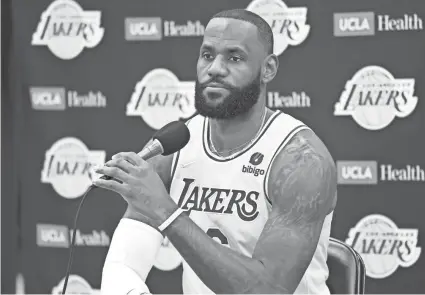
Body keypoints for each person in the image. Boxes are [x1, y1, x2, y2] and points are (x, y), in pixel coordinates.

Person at [98, 8, 337, 295]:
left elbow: (269, 290)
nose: (215, 69)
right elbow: (124, 266)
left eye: (234, 58)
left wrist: (166, 211)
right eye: (208, 55)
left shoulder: (301, 160)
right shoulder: (173, 147)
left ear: (268, 68)